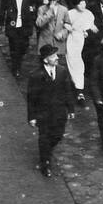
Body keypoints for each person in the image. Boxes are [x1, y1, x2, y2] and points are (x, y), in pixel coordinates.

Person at [27, 43, 74, 177]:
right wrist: (32, 117)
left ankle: (47, 151)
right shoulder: (36, 75)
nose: (56, 58)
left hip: (59, 112)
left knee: (58, 135)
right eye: (53, 56)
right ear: (45, 59)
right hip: (43, 114)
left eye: (56, 55)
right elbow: (31, 98)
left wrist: (71, 109)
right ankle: (45, 164)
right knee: (44, 138)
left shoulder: (62, 71)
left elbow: (67, 91)